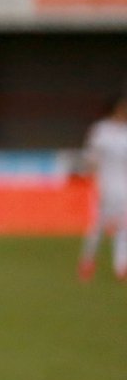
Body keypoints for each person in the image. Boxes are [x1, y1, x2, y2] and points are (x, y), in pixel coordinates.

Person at [78, 93, 127, 282]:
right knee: (98, 225)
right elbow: (91, 157)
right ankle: (88, 260)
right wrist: (91, 173)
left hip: (124, 187)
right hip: (104, 185)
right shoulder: (101, 131)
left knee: (124, 226)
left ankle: (121, 265)